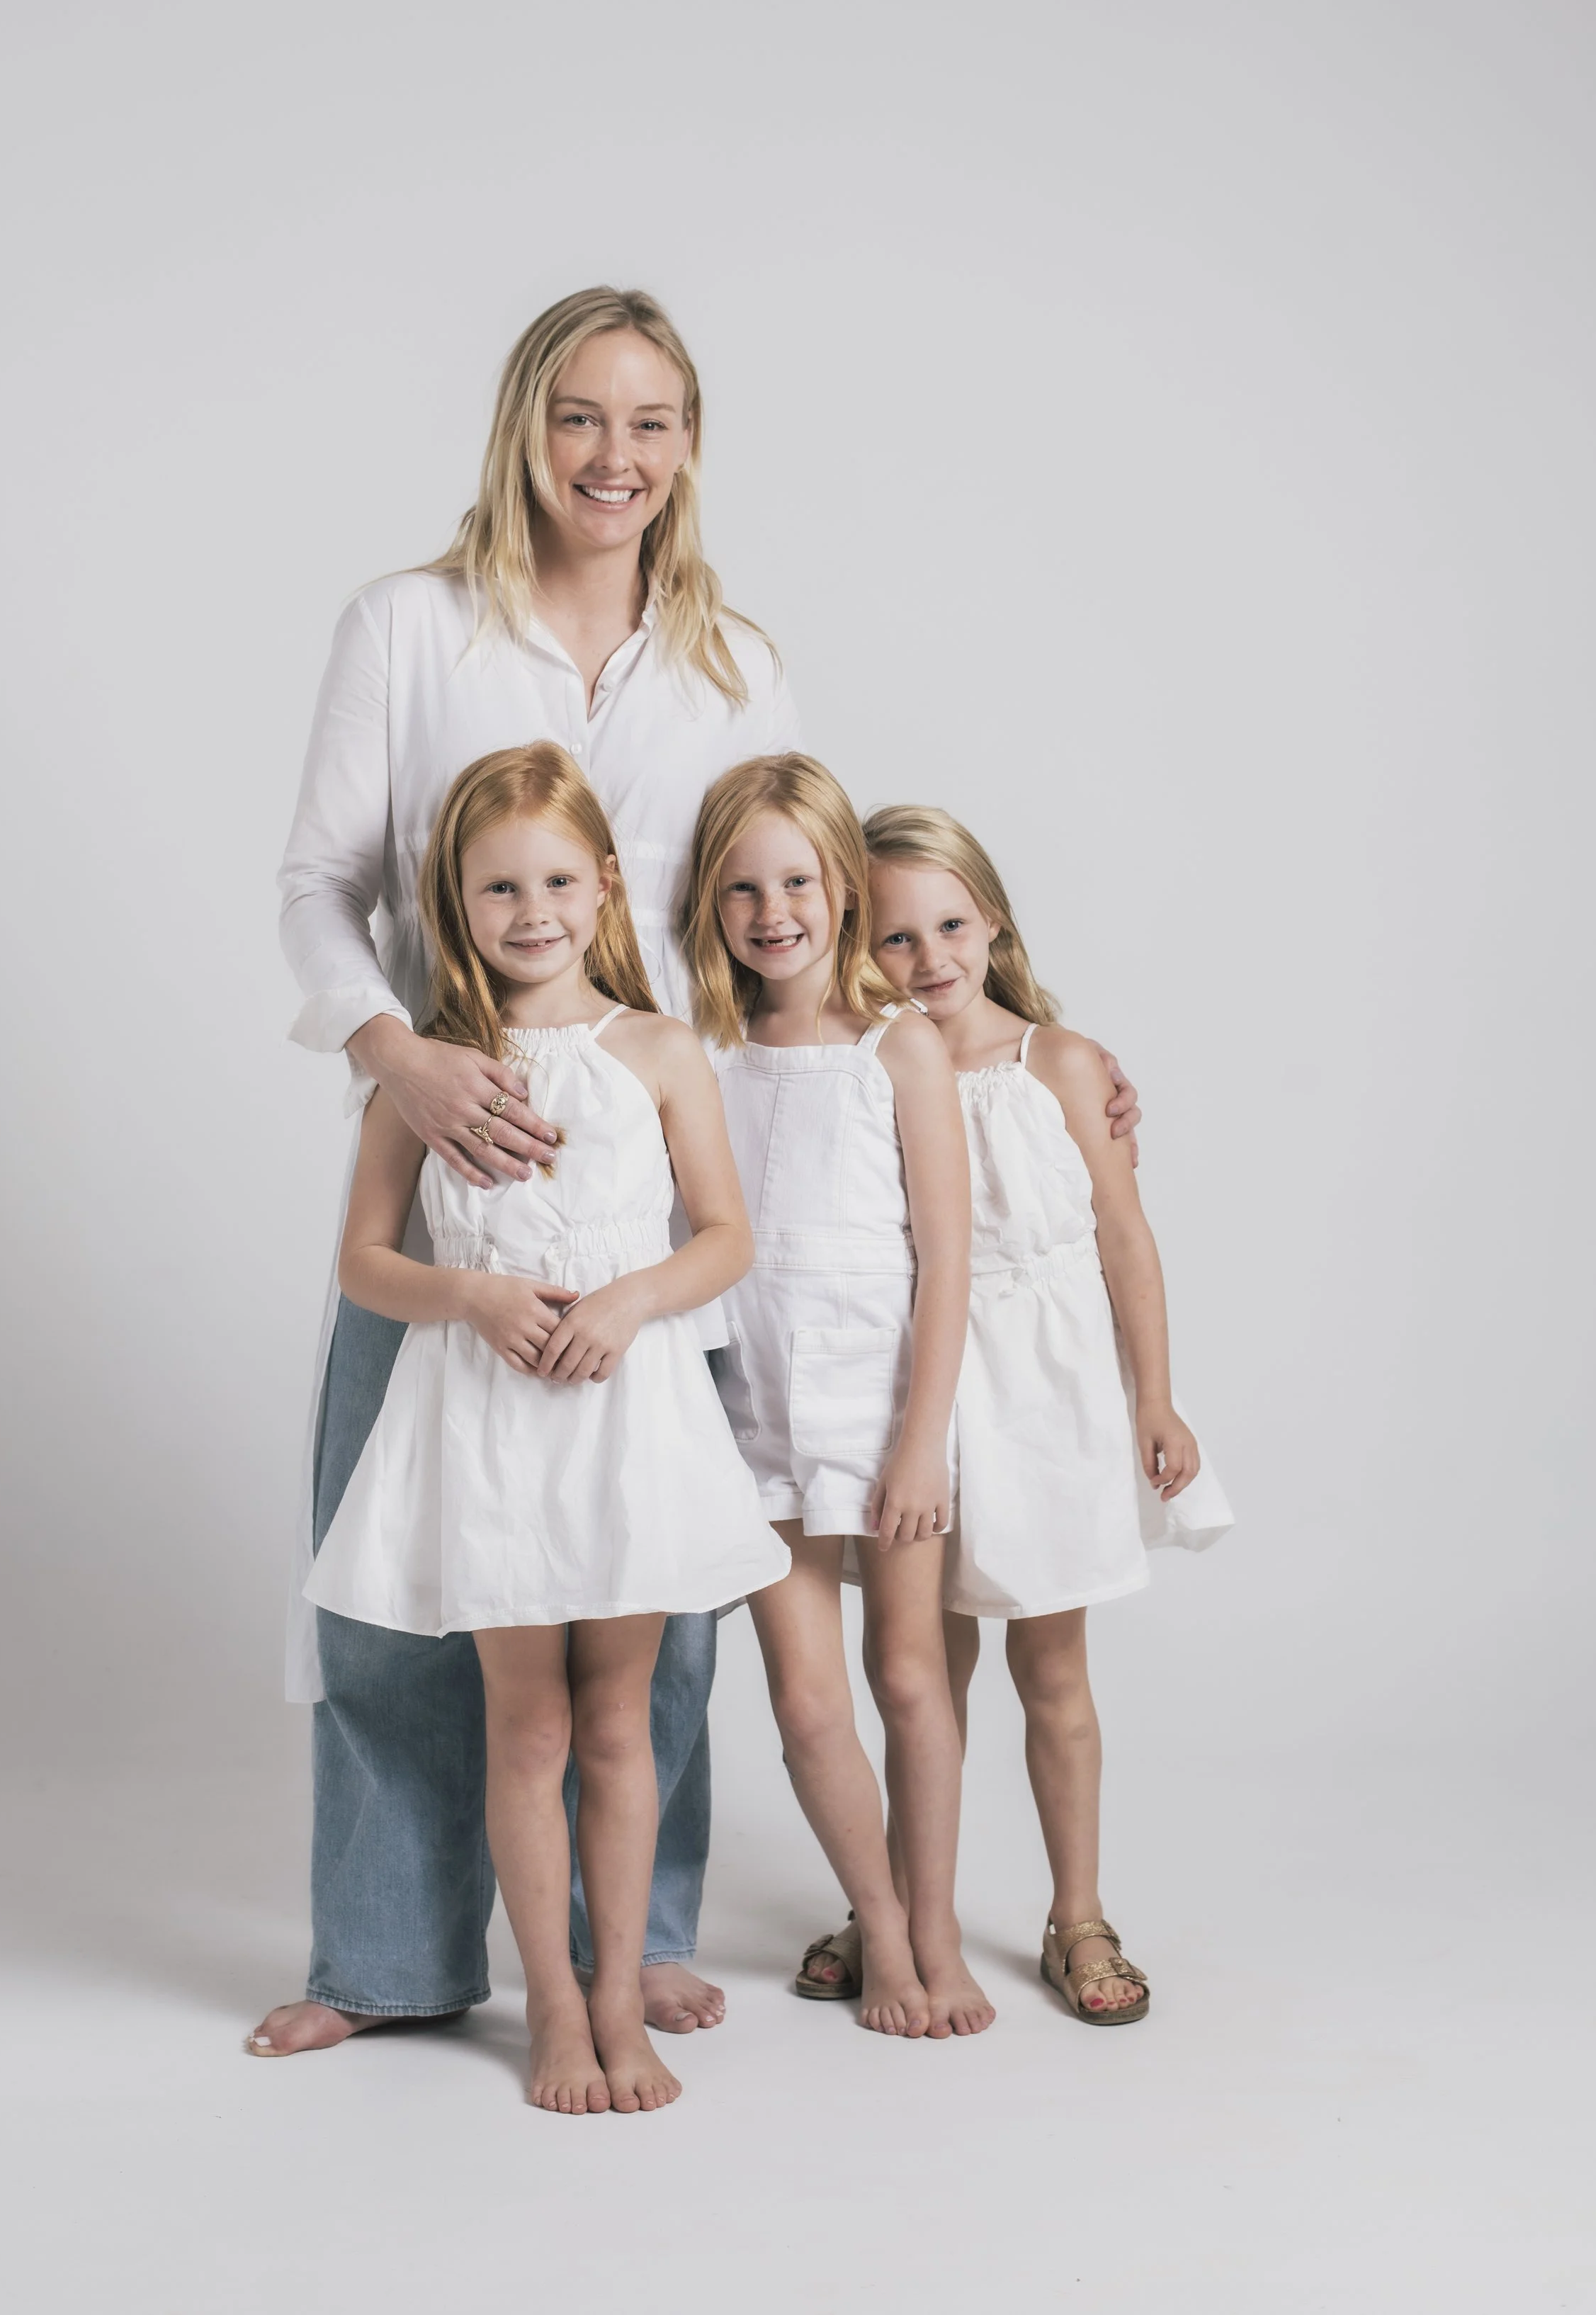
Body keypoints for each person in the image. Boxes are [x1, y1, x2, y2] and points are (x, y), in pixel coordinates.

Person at [251, 283, 1142, 2059]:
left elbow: (815, 878)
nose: (615, 455)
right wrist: (403, 1063)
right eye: (581, 417)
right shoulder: (409, 626)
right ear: (523, 426)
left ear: (689, 449)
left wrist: (1031, 1041)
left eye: (651, 423)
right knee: (396, 1575)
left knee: (651, 1581)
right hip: (461, 1150)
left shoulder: (735, 661)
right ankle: (384, 1959)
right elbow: (316, 888)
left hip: (665, 1171)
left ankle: (630, 1942)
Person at [304, 745, 787, 2109]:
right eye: (499, 886)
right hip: (493, 1427)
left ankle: (621, 1991)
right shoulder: (433, 1075)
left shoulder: (658, 1047)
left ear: (606, 885)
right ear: (454, 903)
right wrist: (472, 1294)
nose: (532, 910)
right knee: (525, 1725)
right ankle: (556, 2014)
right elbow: (363, 1263)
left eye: (558, 880)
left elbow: (726, 1235)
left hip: (624, 1419)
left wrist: (630, 1303)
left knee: (621, 1719)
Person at [799, 805, 1232, 2024]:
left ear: (992, 919)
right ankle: (894, 1904)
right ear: (851, 944)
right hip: (925, 1393)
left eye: (950, 924)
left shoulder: (1064, 1064)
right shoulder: (868, 1068)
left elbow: (1124, 1242)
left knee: (1052, 1668)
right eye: (893, 937)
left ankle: (1076, 1911)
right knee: (917, 1671)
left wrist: (1153, 1391)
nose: (929, 957)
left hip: (1045, 1400)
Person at [681, 756, 995, 2039]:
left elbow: (947, 1257)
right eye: (743, 888)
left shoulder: (897, 1048)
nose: (774, 912)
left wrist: (921, 1442)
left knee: (910, 1676)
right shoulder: (701, 1051)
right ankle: (879, 1925)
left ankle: (933, 1927)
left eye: (799, 880)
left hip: (882, 1414)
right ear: (711, 902)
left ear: (842, 888)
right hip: (750, 1419)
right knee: (807, 1700)